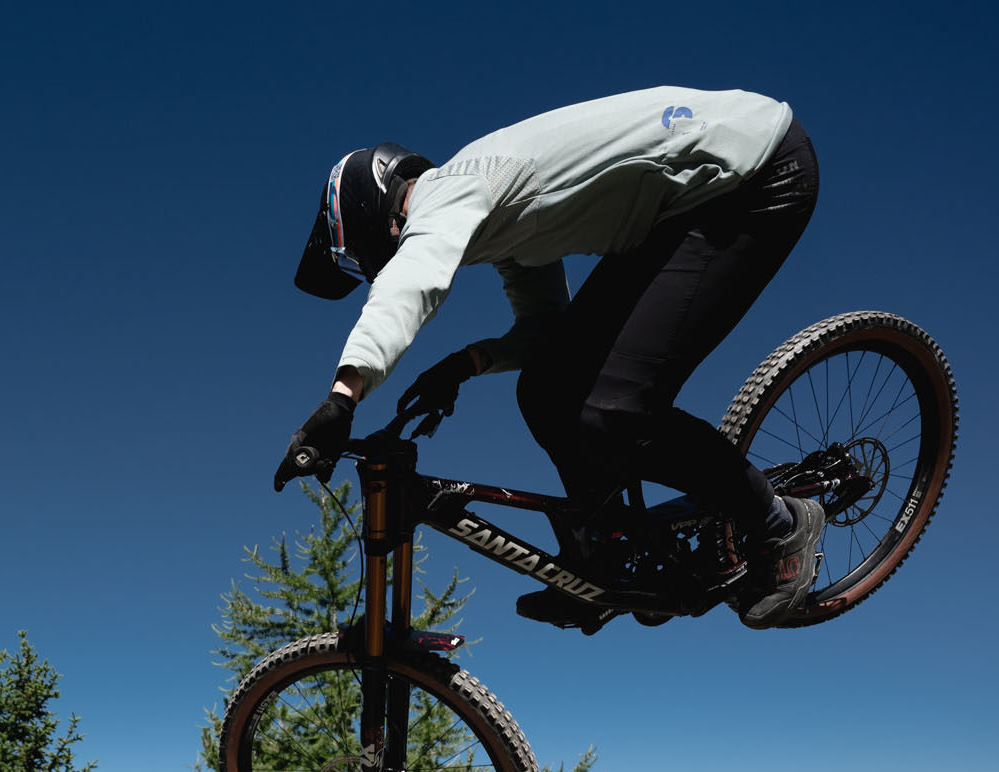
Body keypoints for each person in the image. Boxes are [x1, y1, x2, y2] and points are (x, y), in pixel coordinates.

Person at [278, 87, 823, 629]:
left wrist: (342, 399)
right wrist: (467, 364)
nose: (371, 270)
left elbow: (411, 284)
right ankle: (605, 557)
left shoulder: (448, 190)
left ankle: (779, 526)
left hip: (751, 176)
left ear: (377, 217)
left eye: (359, 261)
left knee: (611, 410)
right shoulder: (500, 220)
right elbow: (547, 331)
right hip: (687, 204)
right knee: (545, 388)